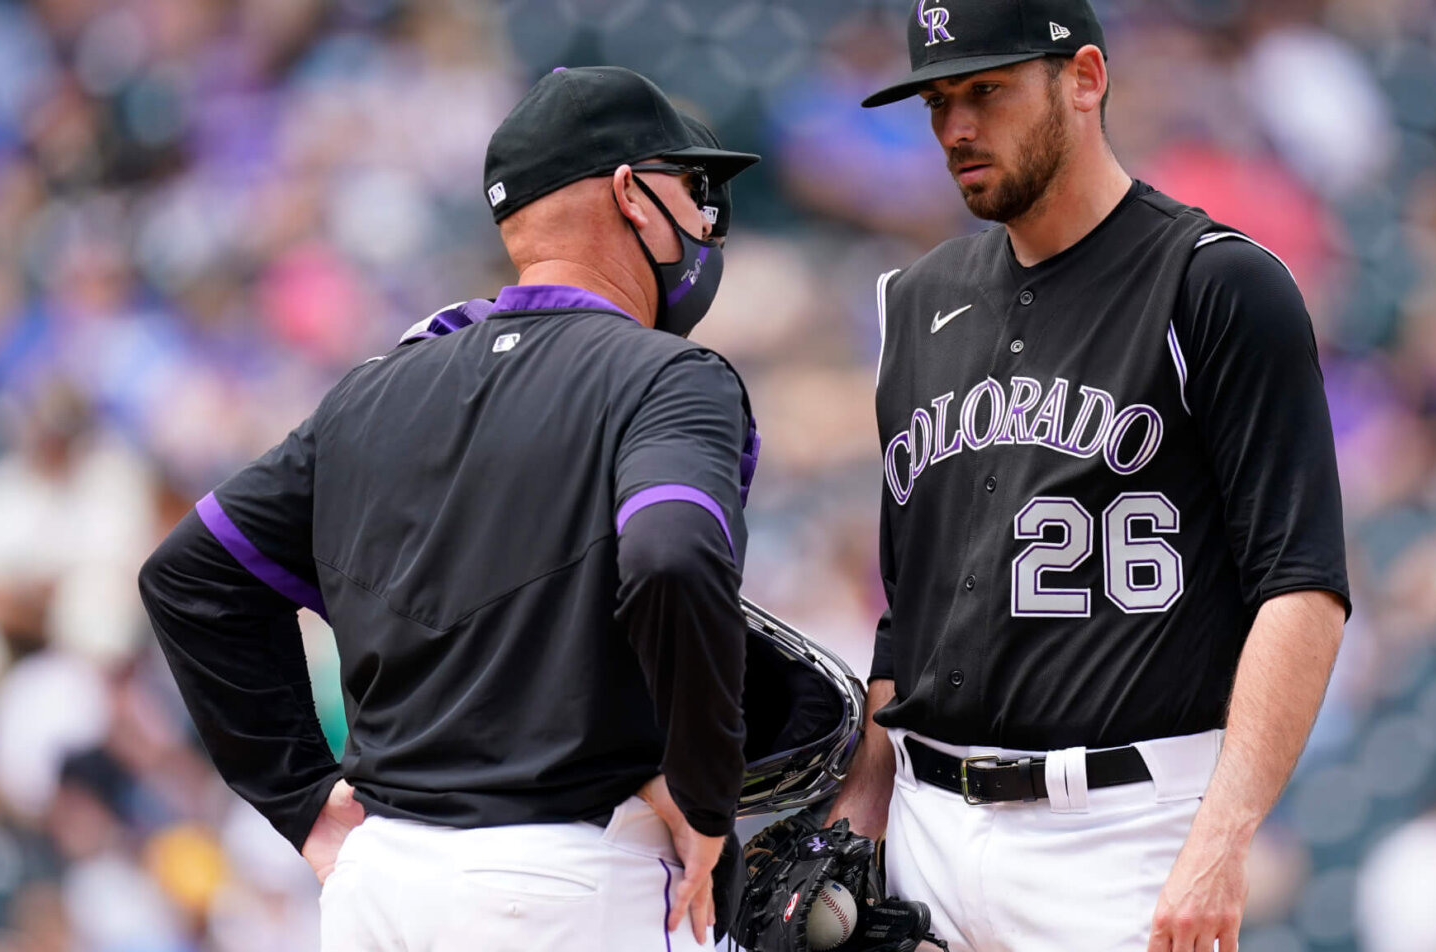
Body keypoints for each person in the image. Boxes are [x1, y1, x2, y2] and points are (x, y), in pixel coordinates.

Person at [138, 65, 760, 951]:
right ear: (629, 192)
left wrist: (302, 796)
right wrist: (705, 791)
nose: (704, 218)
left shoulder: (371, 390)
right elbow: (669, 553)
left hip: (382, 889)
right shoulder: (666, 376)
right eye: (691, 188)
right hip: (572, 882)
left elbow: (188, 575)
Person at [826, 3, 1351, 952]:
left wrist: (1220, 843)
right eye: (937, 100)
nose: (956, 128)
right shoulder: (913, 305)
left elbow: (1302, 589)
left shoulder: (1215, 283)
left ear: (1085, 78)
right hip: (929, 828)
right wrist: (859, 821)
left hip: (1129, 830)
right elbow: (907, 618)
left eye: (986, 90)